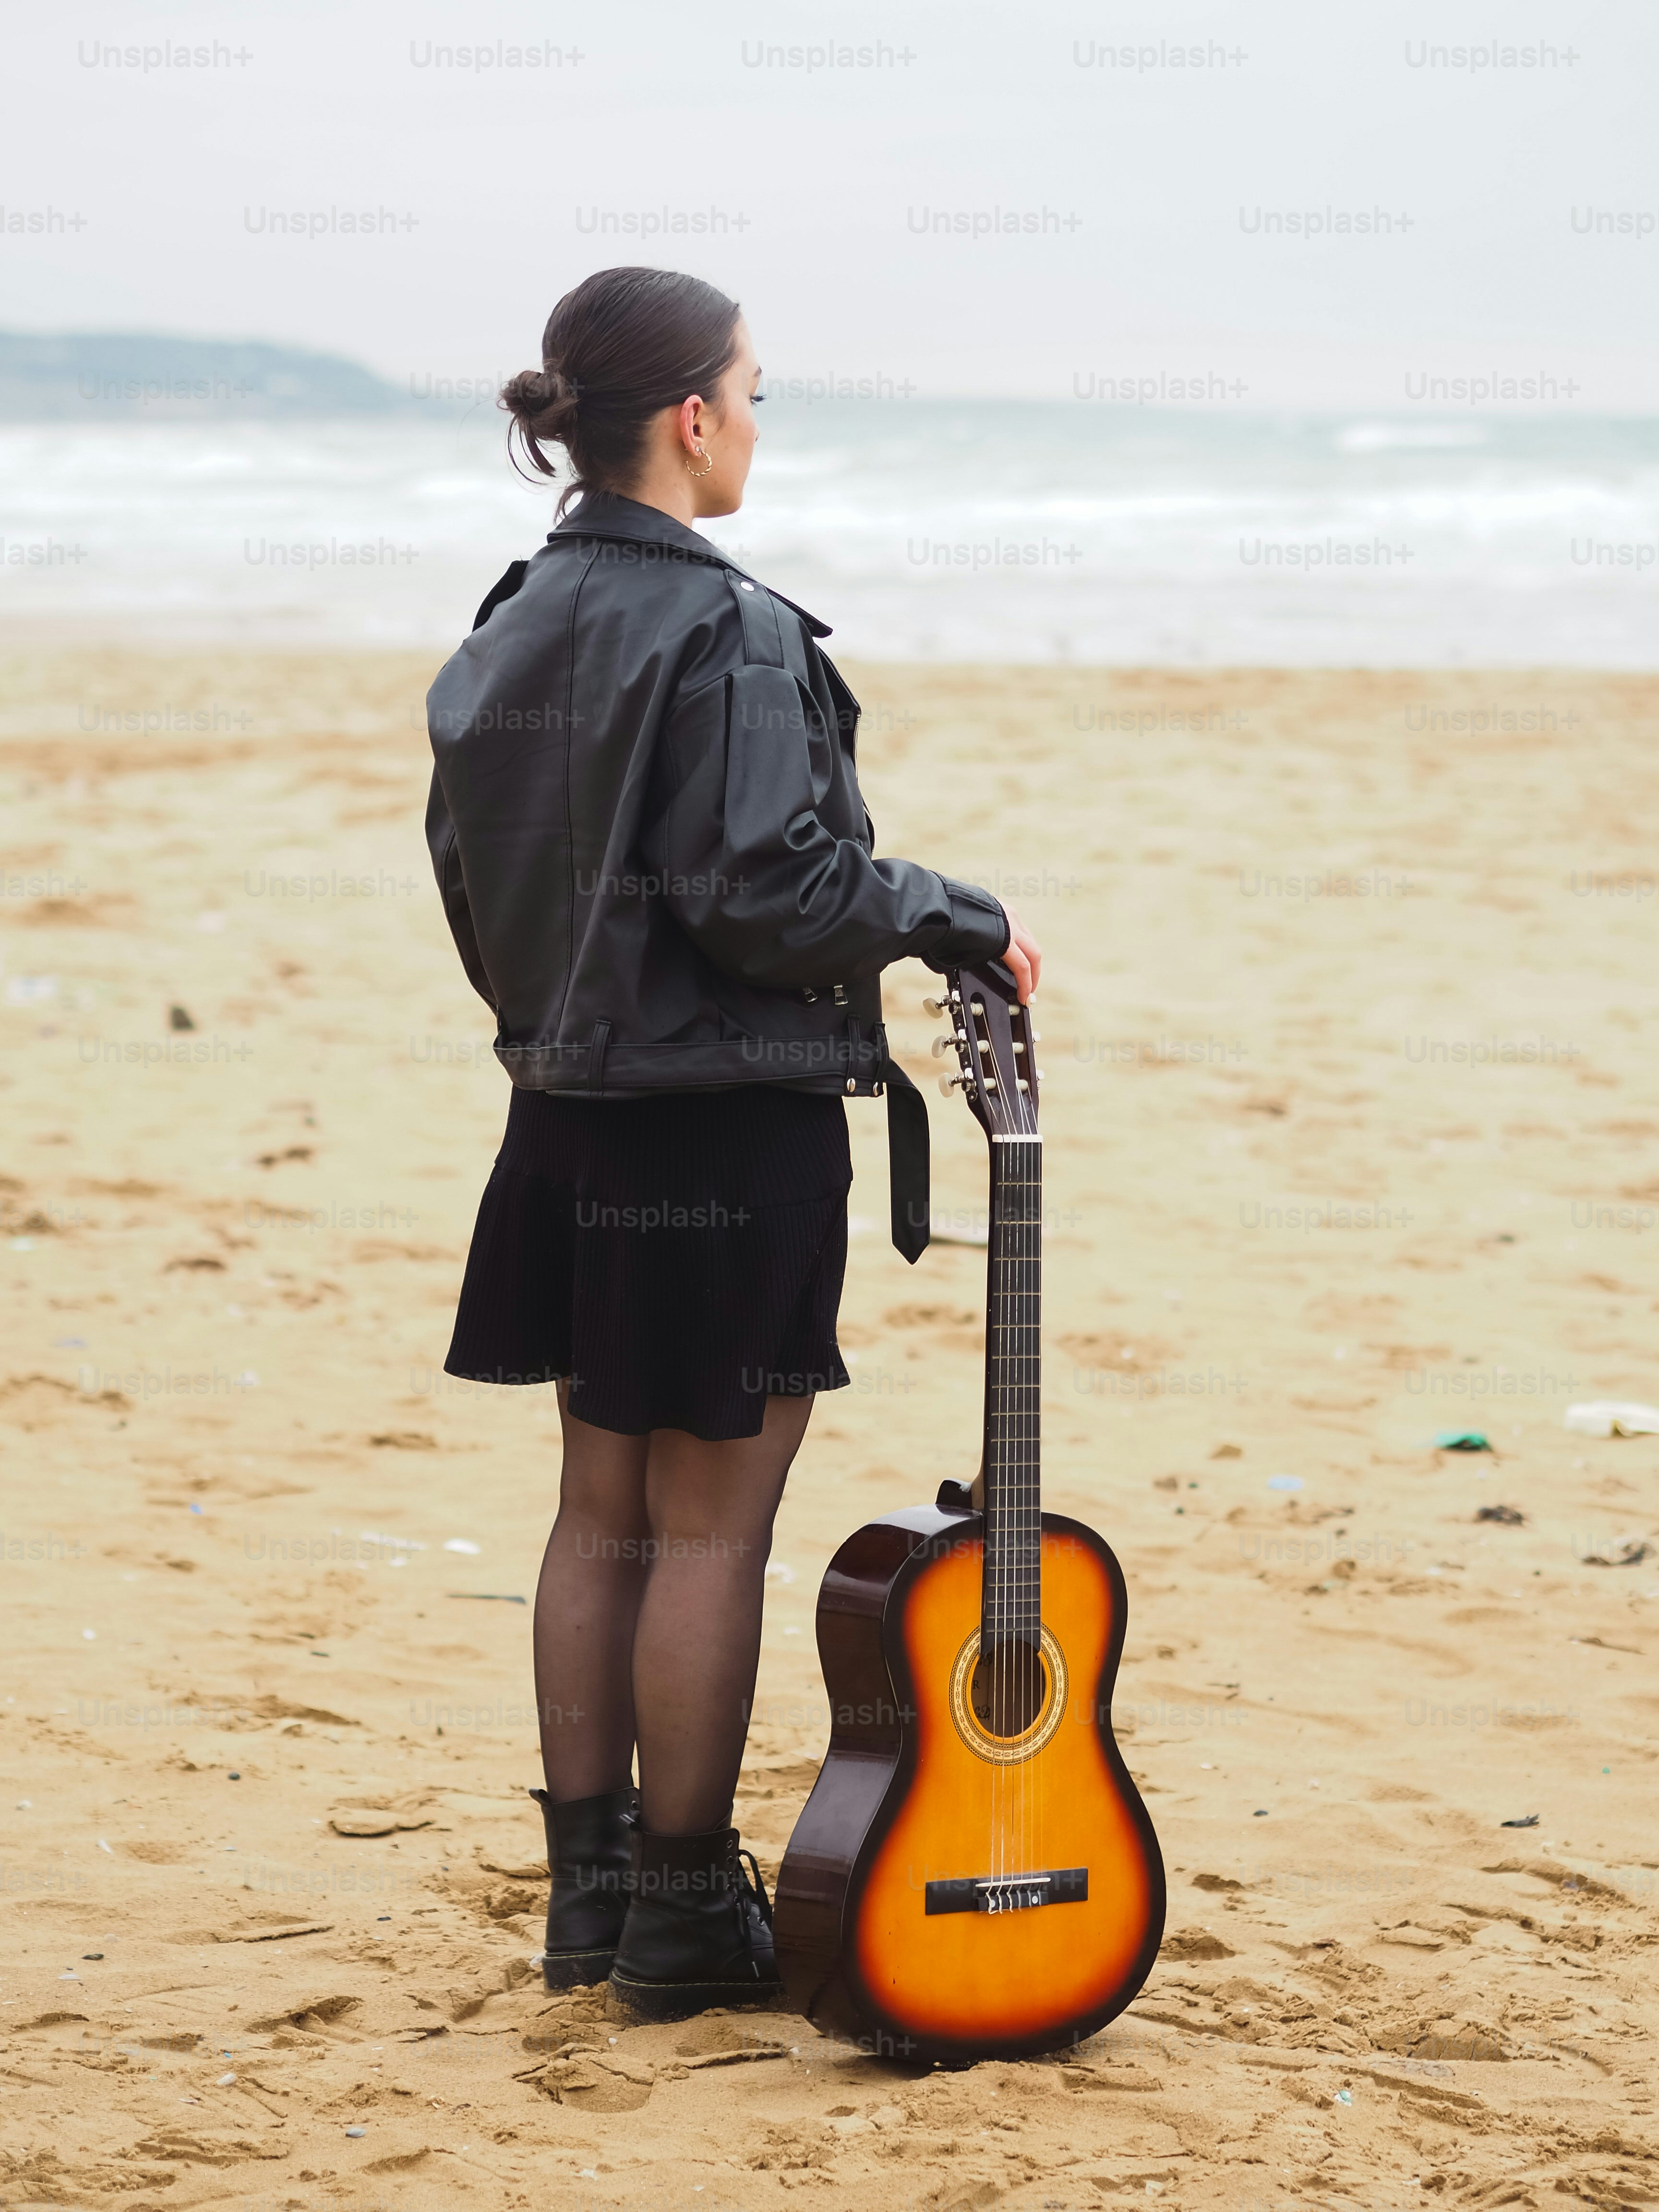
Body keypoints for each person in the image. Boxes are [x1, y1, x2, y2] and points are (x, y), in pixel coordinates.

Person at [424, 266, 1041, 2024]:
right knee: (708, 1531)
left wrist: (557, 1026)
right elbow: (771, 891)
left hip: (563, 1120)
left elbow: (476, 875)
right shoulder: (734, 628)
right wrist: (951, 911)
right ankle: (686, 1915)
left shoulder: (516, 612)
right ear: (691, 418)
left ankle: (589, 1905)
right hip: (725, 1128)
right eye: (754, 392)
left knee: (598, 1512)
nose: (758, 423)